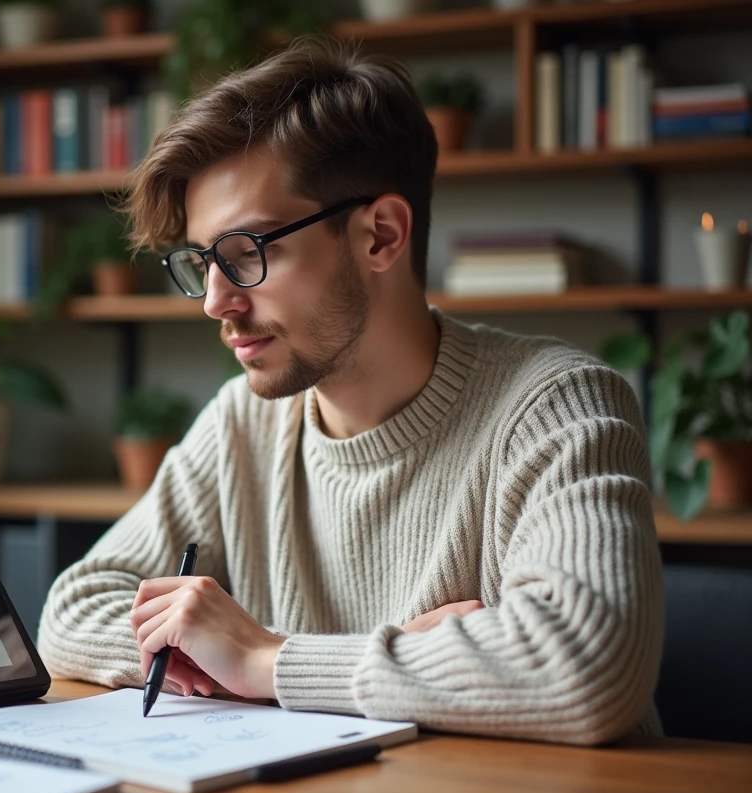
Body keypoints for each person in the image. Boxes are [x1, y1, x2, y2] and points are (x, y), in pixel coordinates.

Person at [36, 35, 663, 746]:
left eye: (248, 253)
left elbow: (586, 670)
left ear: (380, 236)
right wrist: (405, 659)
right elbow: (73, 610)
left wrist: (266, 659)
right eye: (203, 260)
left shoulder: (559, 407)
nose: (214, 301)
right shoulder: (242, 426)